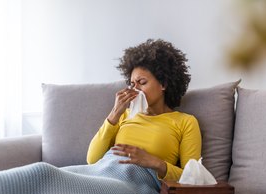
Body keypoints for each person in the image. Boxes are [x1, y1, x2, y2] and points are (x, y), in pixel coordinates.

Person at [87, 39, 202, 181]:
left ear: (163, 84)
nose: (136, 89)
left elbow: (193, 178)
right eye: (132, 84)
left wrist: (155, 163)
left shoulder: (185, 122)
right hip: (104, 175)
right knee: (50, 174)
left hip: (138, 185)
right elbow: (92, 160)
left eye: (142, 82)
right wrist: (115, 113)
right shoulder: (124, 115)